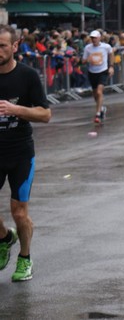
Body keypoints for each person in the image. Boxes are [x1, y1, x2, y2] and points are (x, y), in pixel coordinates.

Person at [0, 24, 52, 282]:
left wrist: (15, 109)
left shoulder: (27, 76)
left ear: (15, 46)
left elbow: (45, 114)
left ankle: (24, 258)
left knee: (19, 212)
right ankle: (4, 238)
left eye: (2, 46)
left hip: (20, 152)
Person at [82, 30, 114, 123]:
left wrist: (111, 67)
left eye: (95, 38)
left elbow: (111, 54)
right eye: (92, 38)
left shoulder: (106, 46)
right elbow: (83, 60)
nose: (93, 40)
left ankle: (98, 113)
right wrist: (87, 59)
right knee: (95, 94)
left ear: (99, 38)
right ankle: (101, 108)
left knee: (99, 92)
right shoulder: (88, 48)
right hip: (92, 72)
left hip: (102, 71)